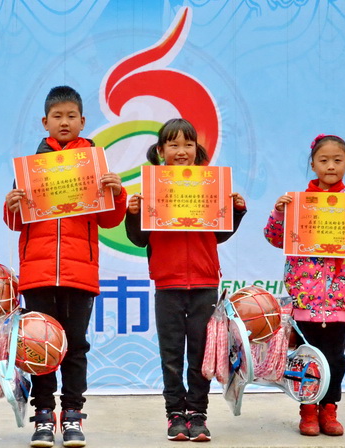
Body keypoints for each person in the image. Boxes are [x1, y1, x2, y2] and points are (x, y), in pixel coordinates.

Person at [3, 85, 127, 448]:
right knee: (38, 349)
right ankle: (43, 416)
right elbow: (15, 224)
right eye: (57, 116)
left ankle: (72, 415)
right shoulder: (30, 168)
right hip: (38, 273)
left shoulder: (94, 165)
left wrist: (116, 194)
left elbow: (108, 221)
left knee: (75, 347)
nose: (64, 122)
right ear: (45, 122)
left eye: (71, 116)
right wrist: (13, 204)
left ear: (83, 121)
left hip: (79, 273)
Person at [264, 134, 345, 436]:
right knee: (307, 357)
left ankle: (329, 410)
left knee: (335, 358)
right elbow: (273, 238)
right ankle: (307, 410)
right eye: (324, 160)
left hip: (342, 299)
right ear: (312, 164)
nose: (331, 165)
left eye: (337, 160)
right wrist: (280, 213)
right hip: (305, 299)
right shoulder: (297, 203)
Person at [124, 118, 247, 442]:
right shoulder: (150, 189)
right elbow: (139, 239)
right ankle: (174, 415)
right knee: (172, 355)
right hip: (167, 284)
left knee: (201, 353)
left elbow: (219, 235)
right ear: (160, 151)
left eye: (188, 144)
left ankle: (198, 414)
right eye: (173, 145)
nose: (181, 151)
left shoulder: (211, 186)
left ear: (198, 150)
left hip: (205, 282)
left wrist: (235, 210)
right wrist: (134, 213)